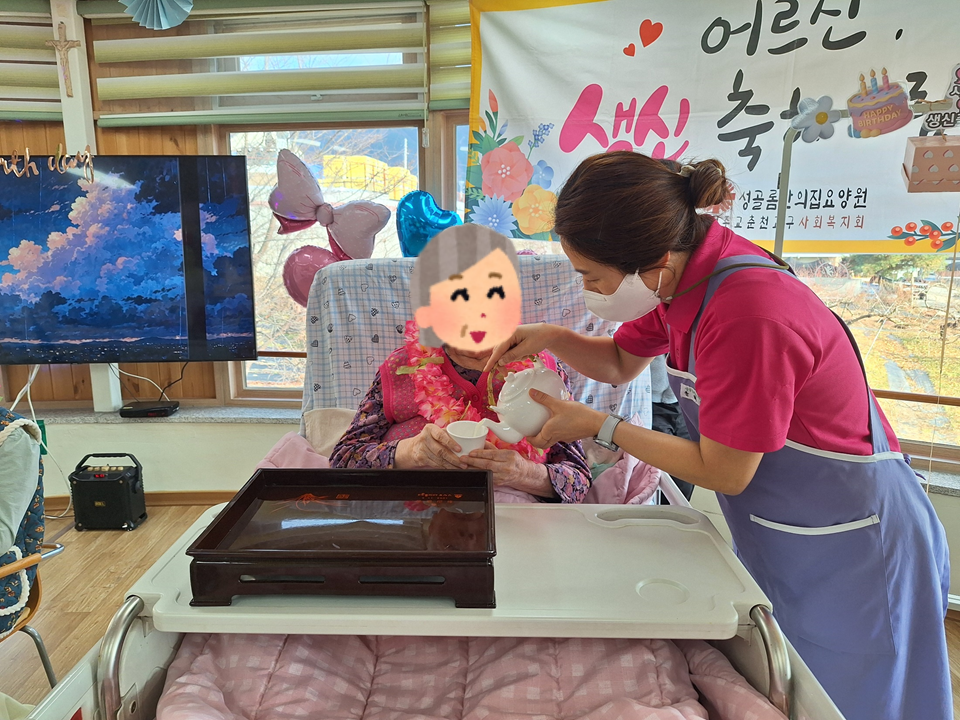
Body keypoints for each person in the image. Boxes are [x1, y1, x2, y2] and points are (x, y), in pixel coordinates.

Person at [482, 151, 951, 720]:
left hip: (856, 541)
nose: (587, 289)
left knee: (856, 699)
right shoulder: (685, 279)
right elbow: (619, 361)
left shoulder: (748, 313)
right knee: (790, 686)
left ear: (653, 261)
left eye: (591, 277)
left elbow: (725, 470)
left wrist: (601, 426)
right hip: (787, 531)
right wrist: (551, 336)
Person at [330, 224, 591, 503]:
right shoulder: (401, 367)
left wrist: (523, 473)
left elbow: (578, 480)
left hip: (517, 516)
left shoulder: (544, 371)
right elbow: (343, 460)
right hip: (417, 513)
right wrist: (411, 452)